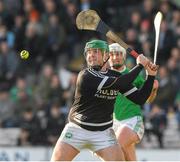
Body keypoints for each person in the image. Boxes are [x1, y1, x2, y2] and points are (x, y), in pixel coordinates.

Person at [51, 39, 158, 161]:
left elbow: (139, 98)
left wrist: (150, 76)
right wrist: (139, 66)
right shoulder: (86, 75)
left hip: (103, 133)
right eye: (89, 52)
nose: (91, 55)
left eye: (96, 52)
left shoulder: (116, 76)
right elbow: (120, 82)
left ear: (106, 56)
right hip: (77, 129)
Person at [108, 43, 159, 161]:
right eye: (112, 54)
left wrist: (153, 89)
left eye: (119, 54)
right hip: (114, 123)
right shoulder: (105, 77)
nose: (115, 57)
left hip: (132, 121)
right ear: (107, 57)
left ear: (124, 57)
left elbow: (147, 99)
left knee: (118, 144)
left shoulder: (134, 75)